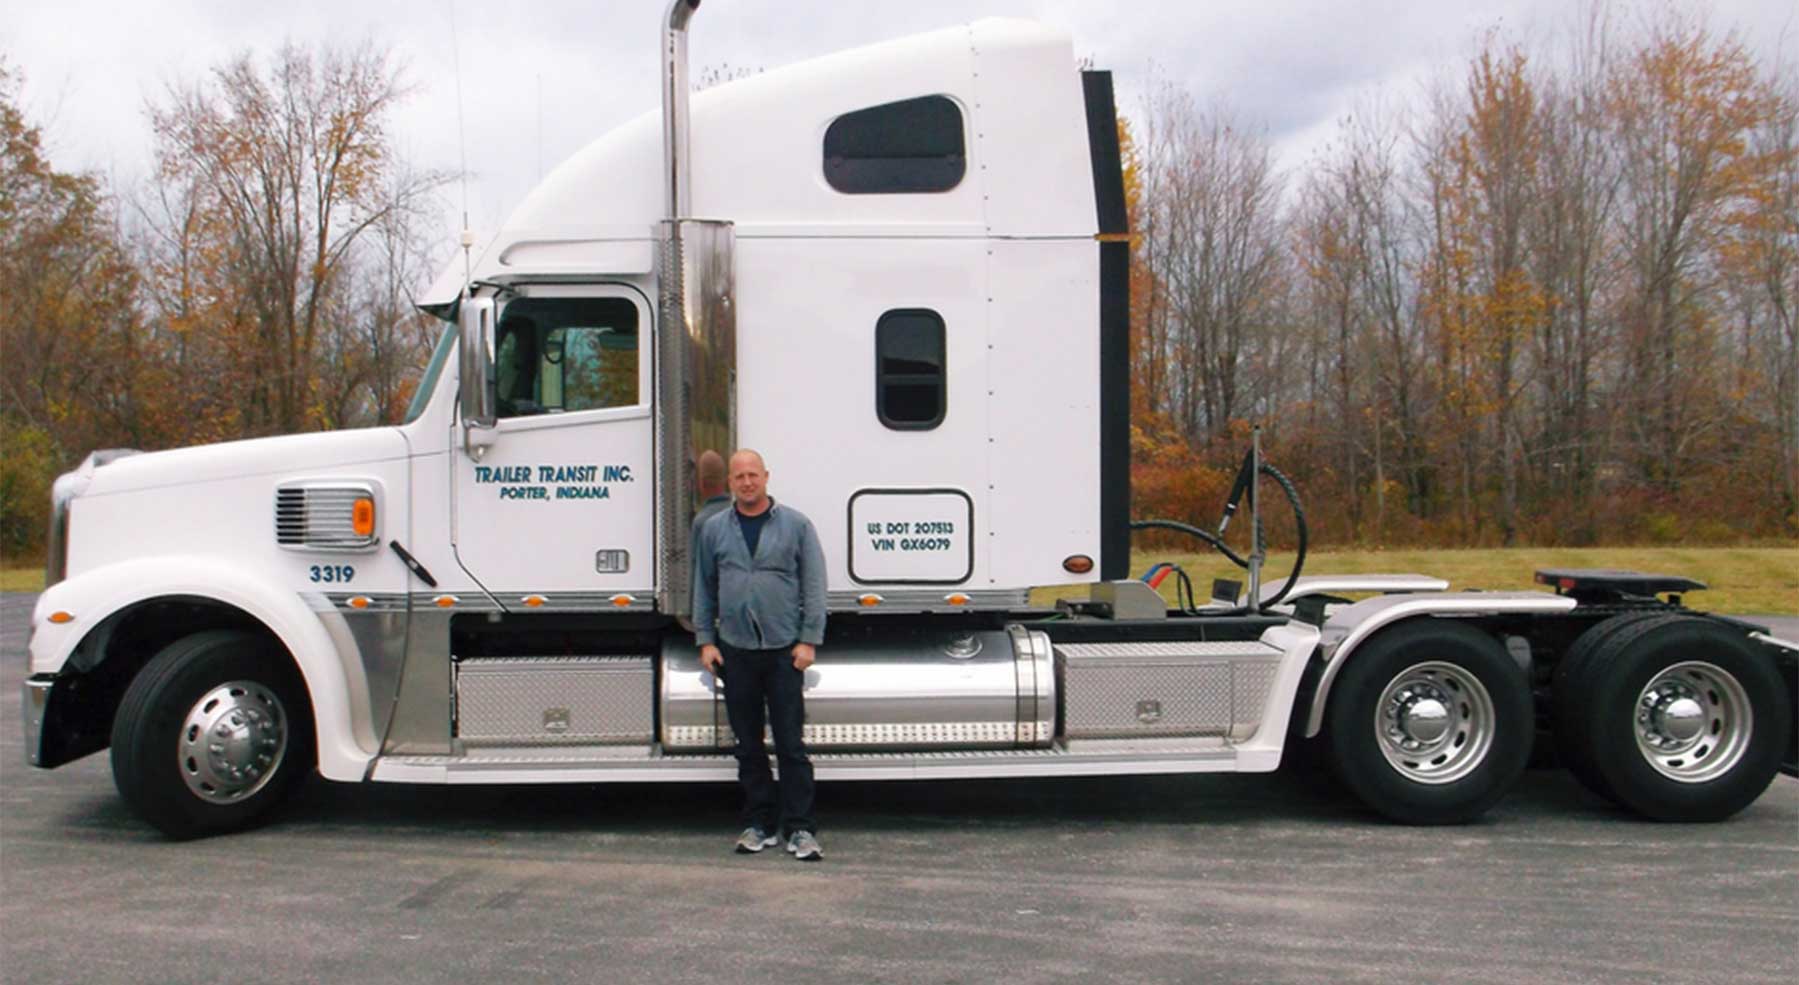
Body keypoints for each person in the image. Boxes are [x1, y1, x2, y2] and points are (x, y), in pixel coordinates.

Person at [691, 449, 827, 861]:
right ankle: (759, 824)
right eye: (739, 477)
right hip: (735, 651)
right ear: (730, 483)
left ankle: (800, 830)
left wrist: (808, 641)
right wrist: (705, 639)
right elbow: (704, 586)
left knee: (790, 745)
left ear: (766, 477)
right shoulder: (715, 529)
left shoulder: (796, 525)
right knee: (748, 746)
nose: (747, 482)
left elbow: (814, 585)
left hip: (784, 651)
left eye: (753, 475)